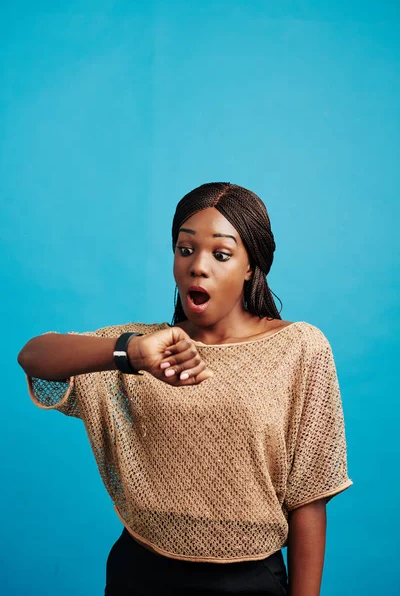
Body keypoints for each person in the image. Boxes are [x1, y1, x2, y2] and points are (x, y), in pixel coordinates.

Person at [18, 182, 353, 596]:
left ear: (252, 265)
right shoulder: (145, 346)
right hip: (139, 576)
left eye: (222, 253)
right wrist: (133, 354)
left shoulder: (299, 348)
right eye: (185, 249)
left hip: (249, 582)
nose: (198, 265)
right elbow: (34, 355)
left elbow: (310, 497)